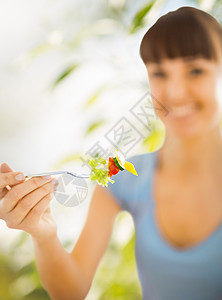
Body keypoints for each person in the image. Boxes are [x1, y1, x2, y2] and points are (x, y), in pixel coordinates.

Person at [1, 5, 222, 300]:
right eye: (159, 74)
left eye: (195, 71)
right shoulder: (125, 178)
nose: (176, 92)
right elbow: (71, 290)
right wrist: (44, 234)